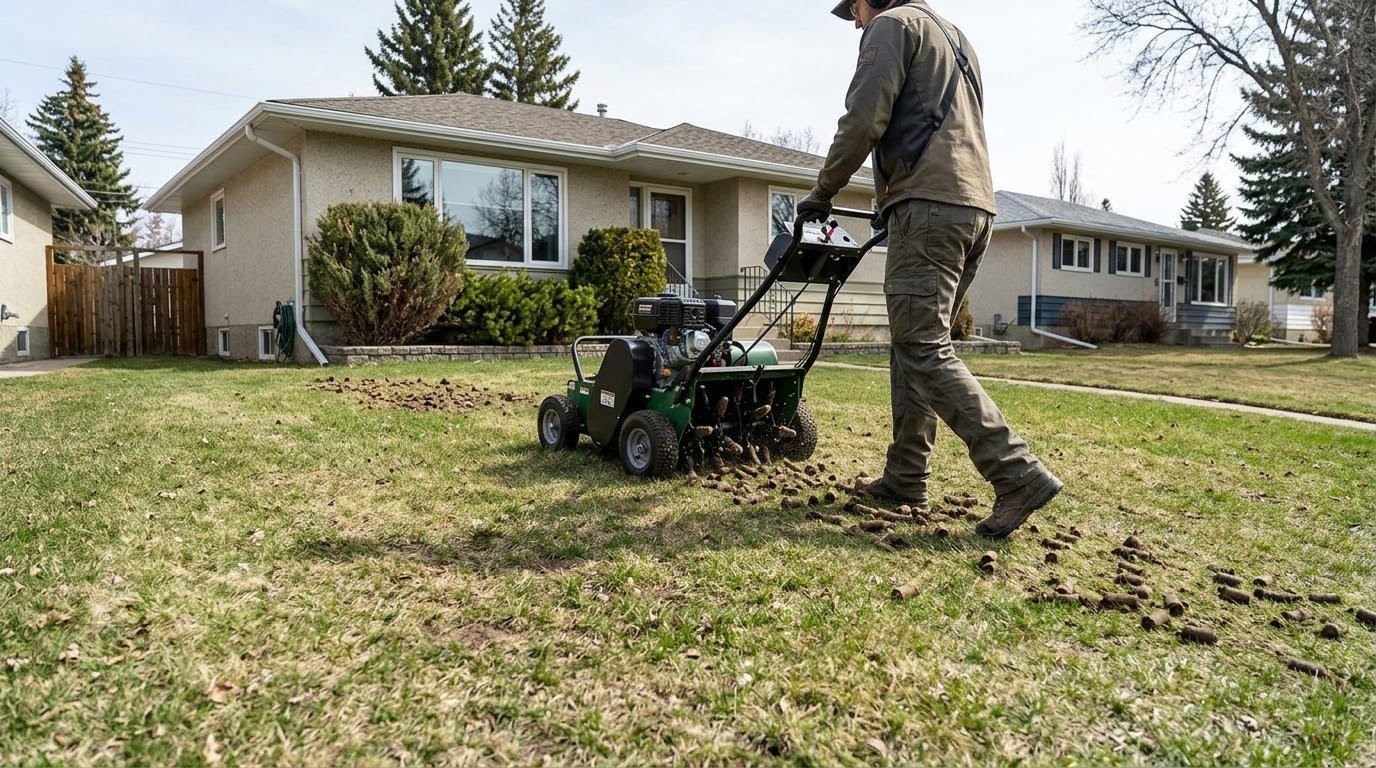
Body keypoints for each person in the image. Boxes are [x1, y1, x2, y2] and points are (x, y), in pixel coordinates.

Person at [797, 0, 1061, 538]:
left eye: (854, 9)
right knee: (915, 344)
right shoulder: (956, 38)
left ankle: (1017, 473)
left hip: (930, 208)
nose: (854, 20)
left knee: (921, 345)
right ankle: (905, 476)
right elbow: (932, 124)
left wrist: (821, 194)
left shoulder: (892, 26)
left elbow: (864, 118)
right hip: (974, 209)